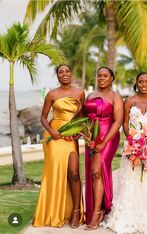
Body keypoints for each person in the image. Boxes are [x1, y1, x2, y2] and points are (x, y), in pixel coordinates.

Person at [104, 72, 147, 234]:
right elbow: (124, 123)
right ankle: (128, 215)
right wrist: (133, 141)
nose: (144, 84)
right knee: (131, 178)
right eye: (141, 81)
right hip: (132, 146)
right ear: (136, 83)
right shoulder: (129, 101)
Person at [32, 64, 85, 228]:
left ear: (71, 73)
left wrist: (78, 133)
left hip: (70, 138)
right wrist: (52, 132)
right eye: (60, 72)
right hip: (54, 138)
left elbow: (81, 117)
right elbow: (43, 117)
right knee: (55, 174)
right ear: (57, 76)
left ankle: (76, 211)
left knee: (74, 173)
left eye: (67, 71)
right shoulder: (52, 94)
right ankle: (53, 212)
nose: (64, 74)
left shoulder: (79, 93)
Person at [84, 66, 123, 230]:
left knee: (97, 171)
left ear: (111, 78)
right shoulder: (91, 95)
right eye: (99, 75)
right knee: (94, 173)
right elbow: (85, 118)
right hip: (92, 136)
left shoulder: (115, 97)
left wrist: (104, 141)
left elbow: (118, 121)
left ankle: (98, 211)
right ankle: (97, 208)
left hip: (109, 135)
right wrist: (87, 136)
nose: (101, 78)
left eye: (105, 76)